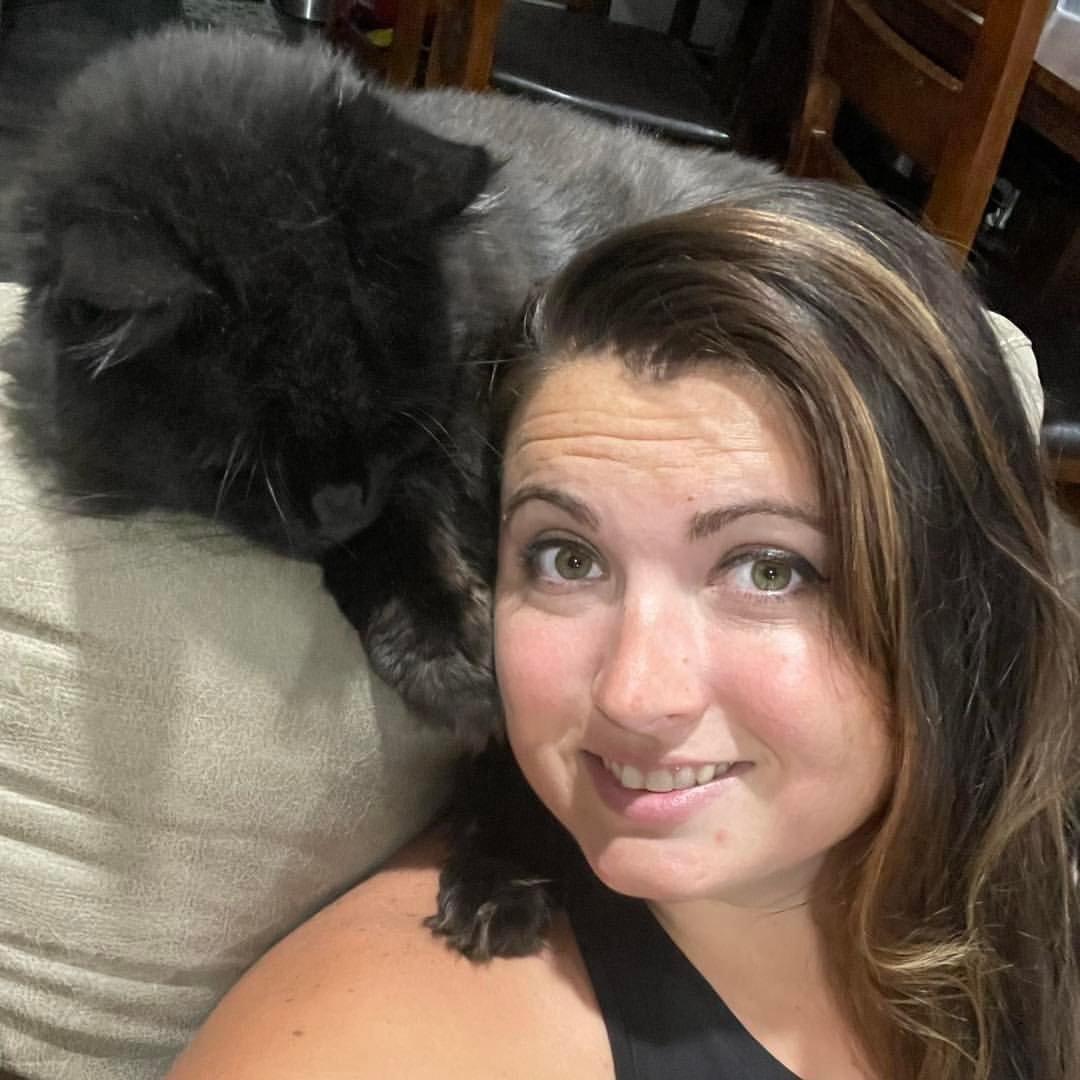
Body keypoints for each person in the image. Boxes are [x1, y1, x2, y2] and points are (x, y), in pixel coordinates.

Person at [165, 181, 1079, 1080]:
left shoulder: (1011, 900)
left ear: (958, 604)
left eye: (768, 570)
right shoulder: (379, 1039)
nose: (633, 697)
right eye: (567, 558)